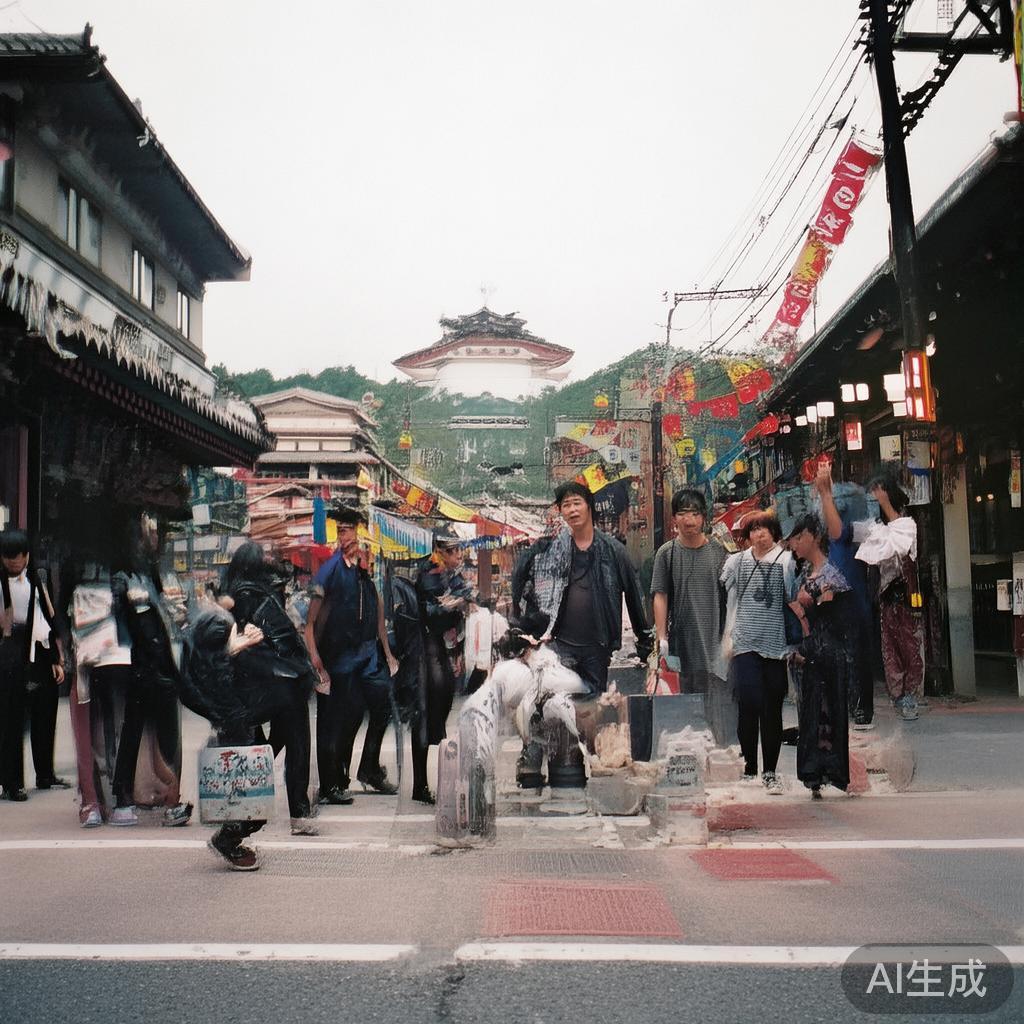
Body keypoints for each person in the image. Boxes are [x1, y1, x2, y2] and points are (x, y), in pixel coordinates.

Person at [515, 481, 653, 695]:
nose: (572, 509)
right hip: (560, 645)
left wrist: (645, 645)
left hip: (598, 647)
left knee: (594, 709)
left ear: (589, 505)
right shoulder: (553, 550)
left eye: (576, 503)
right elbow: (531, 590)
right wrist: (526, 632)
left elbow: (634, 598)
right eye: (566, 505)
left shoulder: (614, 551)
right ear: (560, 511)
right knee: (562, 709)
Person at [221, 541, 318, 835]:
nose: (268, 561)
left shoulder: (238, 591)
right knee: (295, 741)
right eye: (263, 557)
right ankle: (297, 813)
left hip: (267, 679)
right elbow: (274, 636)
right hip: (280, 679)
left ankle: (244, 801)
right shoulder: (252, 593)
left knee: (274, 744)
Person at [305, 506, 399, 804]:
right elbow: (309, 623)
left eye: (352, 530)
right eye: (343, 530)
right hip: (337, 657)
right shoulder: (329, 571)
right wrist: (316, 660)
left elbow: (378, 609)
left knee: (380, 703)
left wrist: (387, 652)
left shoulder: (362, 570)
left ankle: (368, 766)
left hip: (366, 655)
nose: (348, 536)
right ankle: (332, 782)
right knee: (336, 720)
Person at [106, 514, 192, 827]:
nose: (154, 539)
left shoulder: (148, 575)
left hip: (158, 664)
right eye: (148, 533)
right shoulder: (124, 579)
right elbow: (128, 626)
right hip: (141, 667)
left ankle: (170, 797)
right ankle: (124, 797)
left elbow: (162, 620)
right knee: (137, 732)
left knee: (157, 734)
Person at [180, 606, 278, 871]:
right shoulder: (216, 665)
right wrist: (235, 648)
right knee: (248, 796)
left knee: (250, 795)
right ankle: (227, 840)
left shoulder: (209, 658)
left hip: (235, 720)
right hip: (234, 724)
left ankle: (231, 837)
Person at [720, 511, 797, 796]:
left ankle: (770, 772)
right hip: (744, 642)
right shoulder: (736, 562)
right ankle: (749, 766)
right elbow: (727, 598)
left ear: (774, 532)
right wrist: (727, 635)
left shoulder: (787, 562)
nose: (759, 534)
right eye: (754, 529)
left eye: (765, 529)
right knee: (749, 700)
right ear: (747, 534)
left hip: (776, 644)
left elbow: (792, 599)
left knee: (772, 708)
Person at [650, 488, 732, 742]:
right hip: (681, 644)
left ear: (704, 518)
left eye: (695, 513)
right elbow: (660, 594)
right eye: (683, 514)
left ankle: (718, 755)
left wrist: (729, 637)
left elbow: (731, 597)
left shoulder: (719, 553)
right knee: (684, 706)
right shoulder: (667, 553)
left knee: (716, 704)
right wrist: (662, 637)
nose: (689, 520)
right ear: (674, 518)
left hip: (714, 642)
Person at [787, 514, 852, 799]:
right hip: (813, 651)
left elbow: (832, 617)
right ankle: (815, 772)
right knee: (812, 711)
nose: (795, 544)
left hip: (828, 651)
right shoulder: (805, 573)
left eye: (799, 537)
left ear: (813, 535)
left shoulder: (831, 575)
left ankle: (829, 770)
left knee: (829, 708)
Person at [0, 530, 67, 801]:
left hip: (38, 648)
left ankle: (45, 773)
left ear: (27, 555)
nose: (14, 563)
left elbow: (47, 619)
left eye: (18, 558)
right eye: (8, 558)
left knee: (45, 710)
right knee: (11, 719)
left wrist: (55, 658)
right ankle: (12, 782)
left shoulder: (38, 578)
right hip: (8, 651)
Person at [857, 474, 925, 722]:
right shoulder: (876, 527)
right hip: (886, 599)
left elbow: (897, 544)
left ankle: (910, 696)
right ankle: (898, 695)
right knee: (890, 649)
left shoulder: (907, 524)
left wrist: (883, 502)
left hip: (906, 599)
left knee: (910, 648)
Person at [414, 533, 474, 804]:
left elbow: (463, 597)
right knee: (428, 713)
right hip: (426, 648)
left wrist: (459, 602)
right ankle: (420, 785)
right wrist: (455, 605)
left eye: (458, 550)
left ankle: (438, 780)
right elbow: (434, 613)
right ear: (439, 551)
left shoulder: (451, 574)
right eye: (452, 551)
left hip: (443, 647)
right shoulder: (431, 571)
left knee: (439, 713)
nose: (457, 556)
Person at [813, 463, 875, 728]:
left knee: (854, 654)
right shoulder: (828, 533)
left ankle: (859, 708)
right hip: (839, 598)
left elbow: (838, 533)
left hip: (853, 597)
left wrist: (826, 493)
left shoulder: (860, 523)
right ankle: (841, 707)